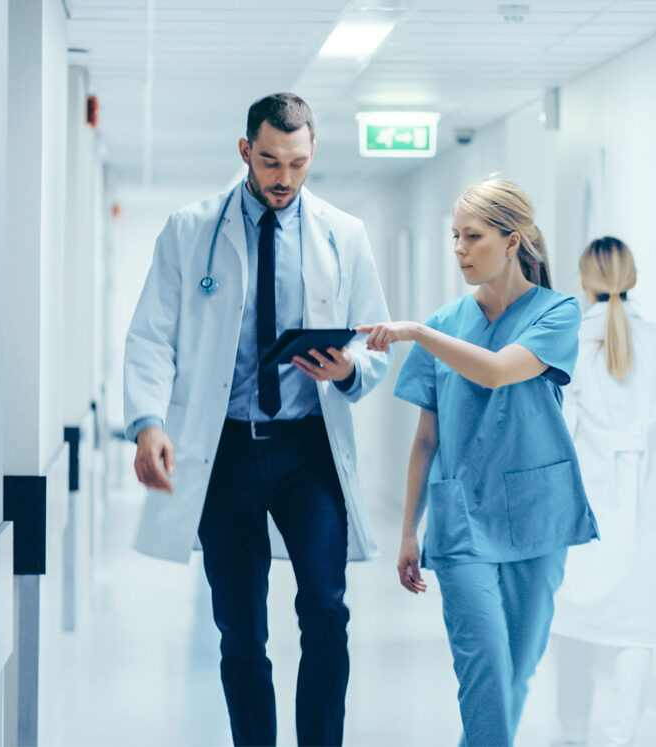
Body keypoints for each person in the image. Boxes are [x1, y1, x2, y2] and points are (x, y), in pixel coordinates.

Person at [122, 92, 391, 746]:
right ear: (245, 151)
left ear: (311, 154)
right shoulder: (190, 231)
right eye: (269, 161)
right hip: (226, 453)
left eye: (296, 163)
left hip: (308, 450)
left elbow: (373, 340)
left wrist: (348, 369)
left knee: (325, 612)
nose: (283, 178)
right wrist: (149, 420)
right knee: (240, 628)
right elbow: (151, 336)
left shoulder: (342, 234)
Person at [359, 178, 599, 747]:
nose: (460, 249)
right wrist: (408, 533)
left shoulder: (558, 313)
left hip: (538, 517)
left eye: (473, 236)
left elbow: (495, 369)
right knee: (485, 676)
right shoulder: (445, 324)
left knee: (515, 674)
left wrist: (415, 331)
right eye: (454, 237)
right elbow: (426, 440)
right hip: (461, 518)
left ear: (512, 241)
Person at [550, 236, 656, 746]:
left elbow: (559, 431)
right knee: (640, 625)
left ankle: (574, 734)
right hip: (650, 493)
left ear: (584, 280)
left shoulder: (569, 340)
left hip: (584, 499)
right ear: (631, 277)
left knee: (573, 618)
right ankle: (620, 738)